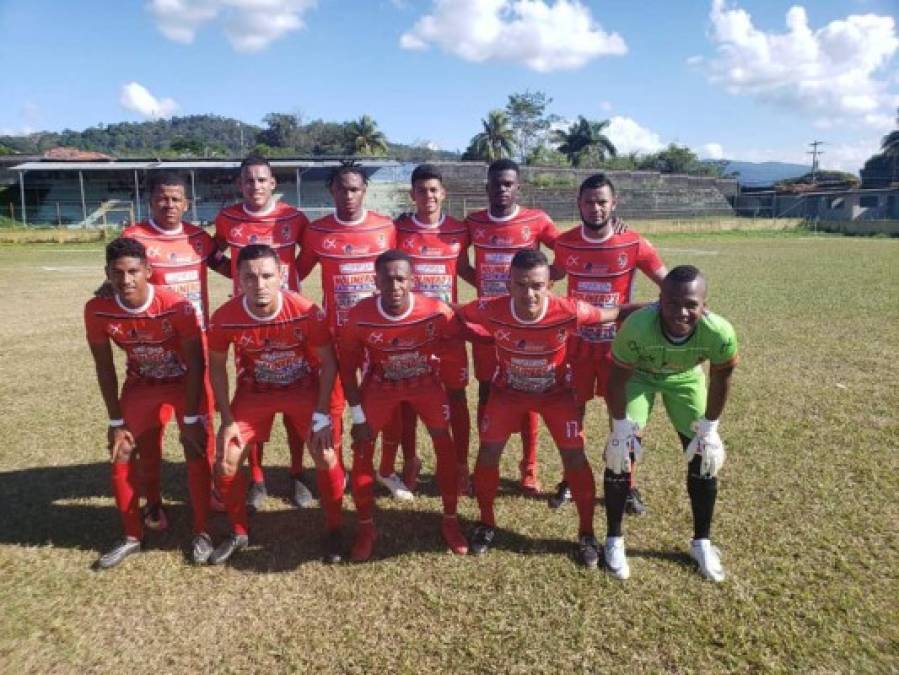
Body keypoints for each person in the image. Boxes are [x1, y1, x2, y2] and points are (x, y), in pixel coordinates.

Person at [457, 249, 632, 568]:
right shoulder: (489, 308)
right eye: (521, 285)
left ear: (549, 284)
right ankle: (485, 522)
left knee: (574, 457)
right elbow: (455, 314)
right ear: (508, 284)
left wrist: (663, 306)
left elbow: (614, 312)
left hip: (556, 395)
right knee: (488, 453)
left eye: (537, 285)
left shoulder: (568, 310)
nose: (529, 293)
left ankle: (586, 533)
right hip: (507, 393)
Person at [206, 244, 343, 564]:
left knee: (325, 454)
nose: (260, 284)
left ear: (281, 275)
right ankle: (238, 531)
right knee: (226, 461)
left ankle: (335, 529)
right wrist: (226, 420)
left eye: (267, 275)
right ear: (238, 279)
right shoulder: (225, 317)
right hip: (256, 392)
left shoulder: (306, 310)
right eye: (250, 277)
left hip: (302, 390)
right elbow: (216, 366)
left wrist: (322, 413)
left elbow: (329, 363)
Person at [601, 265, 738, 581]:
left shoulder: (719, 332)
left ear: (705, 304)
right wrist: (621, 428)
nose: (681, 312)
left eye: (691, 304)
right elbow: (617, 380)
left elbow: (721, 380)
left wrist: (710, 428)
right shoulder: (637, 326)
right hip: (640, 378)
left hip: (684, 378)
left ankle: (702, 542)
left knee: (704, 457)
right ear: (659, 300)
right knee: (620, 453)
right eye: (672, 302)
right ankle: (614, 539)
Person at [109, 171, 231, 525]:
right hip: (156, 351)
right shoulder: (134, 237)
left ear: (187, 203)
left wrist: (262, 272)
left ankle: (210, 489)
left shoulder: (197, 237)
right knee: (150, 432)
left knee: (200, 423)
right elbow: (118, 278)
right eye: (163, 198)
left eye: (177, 198)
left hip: (198, 345)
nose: (170, 205)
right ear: (150, 200)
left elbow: (222, 265)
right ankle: (153, 500)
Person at [85, 237, 214, 569]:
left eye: (133, 271)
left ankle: (202, 530)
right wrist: (115, 422)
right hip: (141, 384)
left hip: (183, 382)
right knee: (124, 448)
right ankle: (133, 534)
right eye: (118, 273)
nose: (126, 280)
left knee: (195, 446)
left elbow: (197, 365)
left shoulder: (177, 306)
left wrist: (189, 419)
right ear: (107, 274)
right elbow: (104, 366)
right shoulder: (96, 309)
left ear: (148, 271)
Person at [338, 249, 468, 562]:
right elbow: (346, 367)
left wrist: (449, 376)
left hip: (425, 383)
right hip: (381, 385)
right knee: (362, 448)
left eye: (400, 279)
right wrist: (356, 415)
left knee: (444, 445)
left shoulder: (436, 310)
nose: (394, 286)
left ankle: (451, 521)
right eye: (387, 279)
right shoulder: (358, 316)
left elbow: (456, 338)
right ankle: (366, 527)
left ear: (412, 281)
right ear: (375, 280)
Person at [549, 173, 667, 513]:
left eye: (603, 202)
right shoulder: (566, 243)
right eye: (589, 201)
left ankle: (625, 484)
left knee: (626, 419)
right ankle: (570, 480)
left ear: (614, 204)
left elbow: (667, 282)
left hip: (621, 348)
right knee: (574, 416)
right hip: (578, 347)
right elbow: (551, 276)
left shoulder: (633, 242)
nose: (596, 208)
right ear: (578, 204)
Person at [214, 154, 312, 511]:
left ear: (273, 184)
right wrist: (240, 282)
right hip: (247, 323)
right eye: (248, 180)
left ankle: (298, 473)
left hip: (289, 319)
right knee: (255, 394)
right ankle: (257, 478)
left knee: (294, 389)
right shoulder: (227, 219)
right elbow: (211, 253)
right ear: (240, 185)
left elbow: (308, 257)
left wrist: (286, 288)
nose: (255, 186)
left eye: (261, 180)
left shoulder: (293, 218)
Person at [462, 158, 560, 495]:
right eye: (496, 183)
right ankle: (484, 466)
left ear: (518, 187)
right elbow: (460, 263)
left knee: (528, 391)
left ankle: (529, 467)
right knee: (488, 392)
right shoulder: (473, 222)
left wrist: (541, 287)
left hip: (527, 326)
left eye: (509, 184)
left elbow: (568, 252)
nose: (502, 189)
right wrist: (490, 294)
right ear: (486, 187)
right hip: (488, 325)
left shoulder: (537, 220)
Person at [296, 163, 396, 472]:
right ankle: (337, 468)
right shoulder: (317, 231)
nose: (348, 195)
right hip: (338, 334)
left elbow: (400, 273)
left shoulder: (386, 228)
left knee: (381, 400)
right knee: (337, 403)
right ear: (332, 191)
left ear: (364, 191)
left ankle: (381, 468)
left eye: (354, 189)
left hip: (378, 332)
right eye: (342, 189)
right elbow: (295, 275)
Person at [385, 163, 472, 496]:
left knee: (456, 396)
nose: (428, 196)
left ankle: (460, 466)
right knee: (407, 397)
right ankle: (410, 461)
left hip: (447, 330)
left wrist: (504, 297)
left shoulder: (459, 230)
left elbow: (463, 268)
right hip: (410, 333)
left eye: (434, 190)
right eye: (421, 191)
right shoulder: (399, 231)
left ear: (443, 193)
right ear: (413, 194)